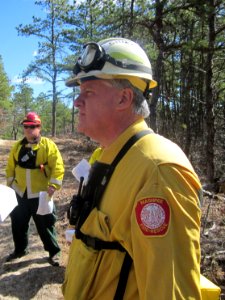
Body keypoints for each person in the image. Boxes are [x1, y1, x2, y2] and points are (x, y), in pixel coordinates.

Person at [63, 38, 202, 299]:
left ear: (124, 98)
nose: (77, 102)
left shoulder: (158, 170)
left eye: (89, 92)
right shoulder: (106, 156)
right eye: (79, 92)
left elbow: (169, 291)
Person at [5, 112, 64, 266]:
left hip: (41, 194)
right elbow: (11, 167)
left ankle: (54, 253)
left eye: (33, 127)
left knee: (46, 225)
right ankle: (20, 250)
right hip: (20, 193)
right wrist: (10, 185)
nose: (29, 130)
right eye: (26, 127)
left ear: (39, 127)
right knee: (18, 224)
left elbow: (58, 166)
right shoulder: (17, 147)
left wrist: (53, 185)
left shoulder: (48, 145)